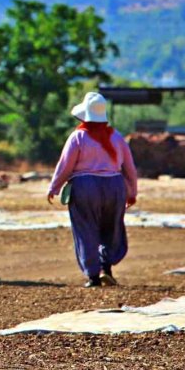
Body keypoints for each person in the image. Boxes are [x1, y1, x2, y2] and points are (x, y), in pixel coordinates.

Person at [47, 92, 138, 288]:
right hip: (115, 186)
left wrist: (54, 187)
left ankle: (93, 276)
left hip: (85, 187)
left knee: (86, 229)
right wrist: (132, 192)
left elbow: (65, 166)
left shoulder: (78, 137)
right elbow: (129, 168)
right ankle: (107, 268)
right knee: (111, 228)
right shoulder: (117, 137)